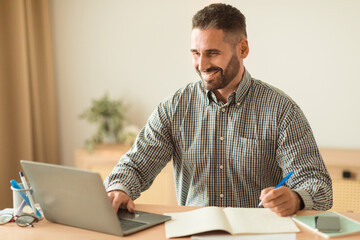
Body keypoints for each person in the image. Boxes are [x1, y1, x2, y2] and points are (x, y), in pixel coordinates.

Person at [104, 3, 332, 217]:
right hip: (194, 233)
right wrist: (119, 188)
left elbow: (317, 184)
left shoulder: (282, 111)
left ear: (243, 48)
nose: (201, 65)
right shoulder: (174, 108)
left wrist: (296, 198)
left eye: (212, 53)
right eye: (195, 53)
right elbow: (136, 164)